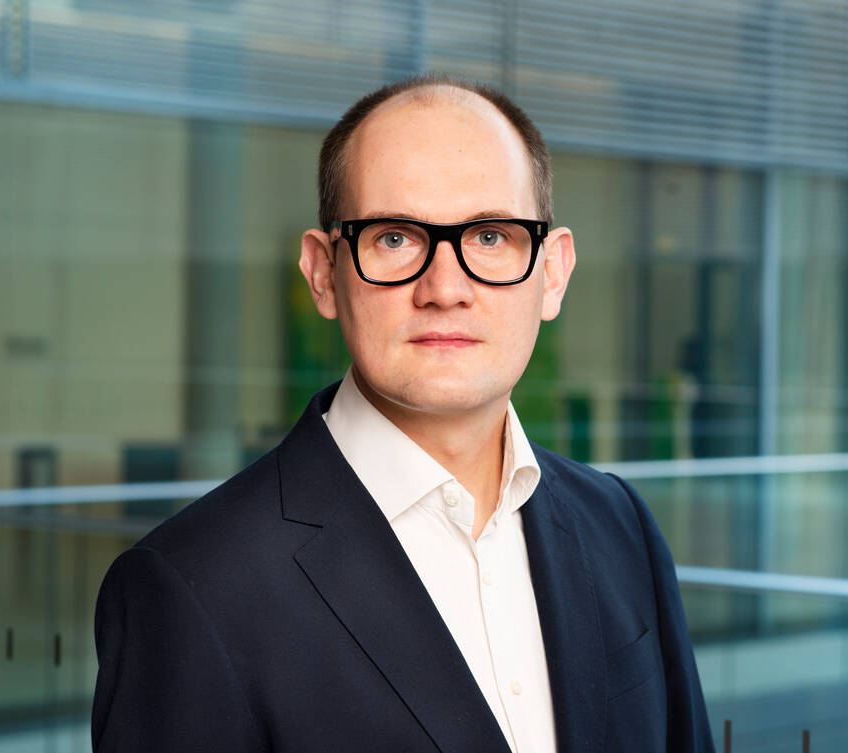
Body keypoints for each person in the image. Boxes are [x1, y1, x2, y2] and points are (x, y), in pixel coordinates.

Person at [92, 74, 715, 753]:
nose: (445, 288)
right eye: (394, 238)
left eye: (490, 237)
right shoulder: (193, 587)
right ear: (325, 272)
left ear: (553, 272)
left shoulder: (619, 524)